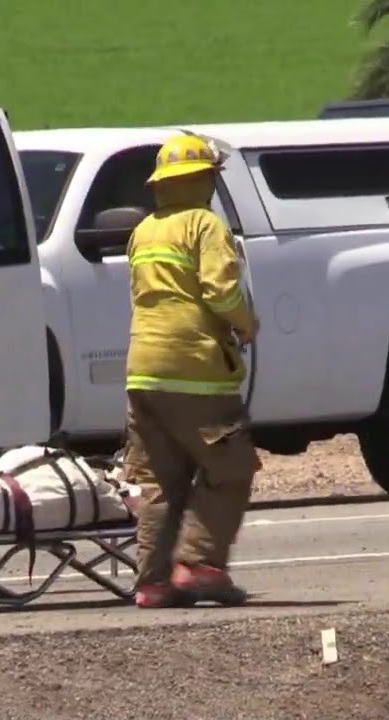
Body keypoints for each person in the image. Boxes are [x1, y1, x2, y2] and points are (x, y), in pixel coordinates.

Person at [122, 132, 260, 609]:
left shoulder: (143, 231)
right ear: (204, 180)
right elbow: (222, 293)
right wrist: (247, 324)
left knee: (159, 480)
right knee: (231, 467)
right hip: (195, 369)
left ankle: (153, 582)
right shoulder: (205, 226)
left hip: (143, 371)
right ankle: (199, 563)